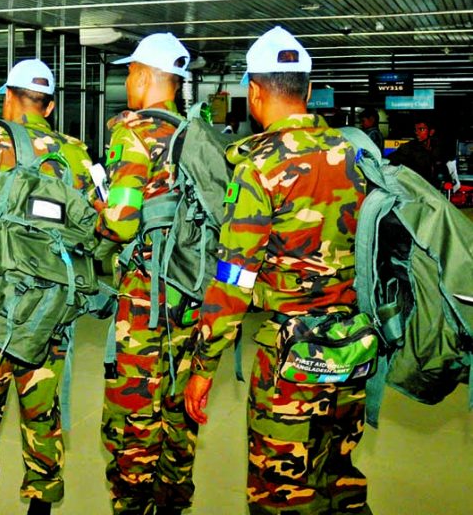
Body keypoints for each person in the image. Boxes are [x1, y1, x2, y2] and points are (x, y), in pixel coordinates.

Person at [184, 26, 371, 515]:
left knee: (280, 491)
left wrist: (203, 367)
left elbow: (234, 279)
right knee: (341, 478)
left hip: (291, 359)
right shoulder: (358, 154)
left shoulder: (258, 167)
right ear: (308, 90)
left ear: (254, 91)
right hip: (354, 347)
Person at [0, 59, 94, 515]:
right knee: (42, 406)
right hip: (50, 302)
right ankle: (41, 505)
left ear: (8, 97)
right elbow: (94, 223)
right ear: (49, 105)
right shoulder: (76, 152)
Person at [93, 33, 200, 515]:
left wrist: (99, 208)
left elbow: (119, 222)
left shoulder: (131, 133)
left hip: (144, 300)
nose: (128, 81)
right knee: (178, 407)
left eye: (131, 72)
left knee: (135, 408)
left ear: (147, 76)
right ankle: (174, 499)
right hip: (192, 289)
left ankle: (133, 503)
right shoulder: (197, 133)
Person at [388, 117, 440, 186]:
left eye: (421, 129)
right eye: (415, 130)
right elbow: (390, 162)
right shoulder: (407, 148)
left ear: (431, 132)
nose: (417, 133)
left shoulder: (438, 148)